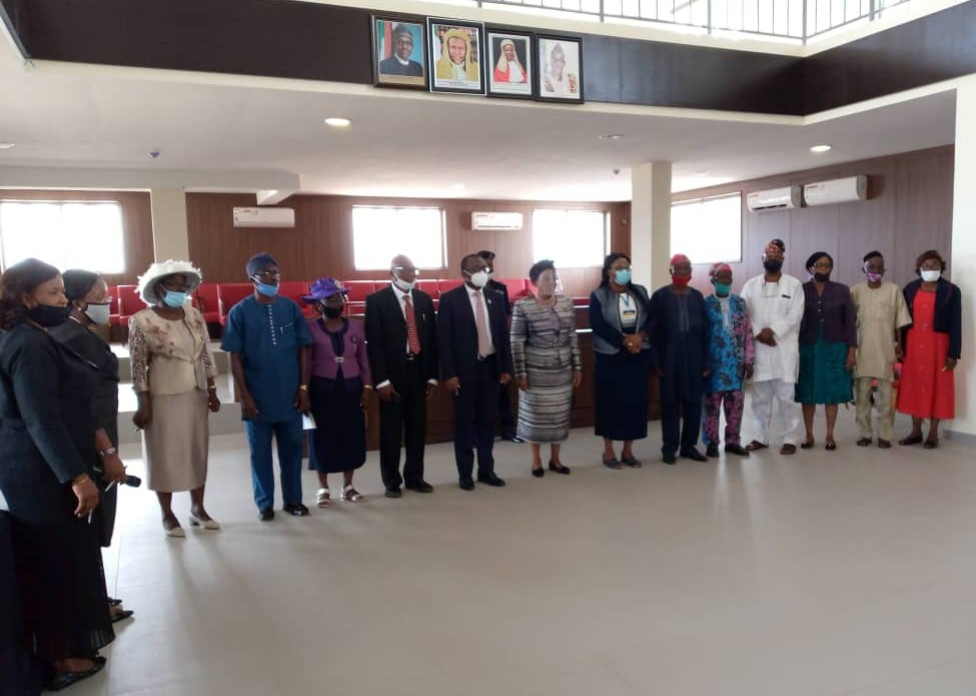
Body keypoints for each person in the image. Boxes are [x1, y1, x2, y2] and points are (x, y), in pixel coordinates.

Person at [0, 258, 114, 691]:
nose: (63, 300)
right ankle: (62, 657)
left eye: (63, 291)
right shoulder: (28, 344)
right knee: (54, 563)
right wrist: (77, 477)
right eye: (53, 292)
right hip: (42, 473)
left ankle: (64, 649)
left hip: (35, 466)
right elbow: (41, 419)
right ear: (25, 297)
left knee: (57, 559)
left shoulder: (25, 334)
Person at [51, 270, 133, 621]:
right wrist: (108, 452)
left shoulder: (72, 333)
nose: (107, 302)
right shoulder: (73, 338)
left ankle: (93, 596)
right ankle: (92, 603)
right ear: (77, 301)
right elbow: (86, 405)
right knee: (89, 524)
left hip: (90, 440)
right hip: (92, 444)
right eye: (100, 297)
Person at [129, 261, 221, 536]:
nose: (179, 289)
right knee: (165, 453)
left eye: (183, 285)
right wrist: (143, 402)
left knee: (196, 449)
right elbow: (137, 365)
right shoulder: (142, 320)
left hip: (196, 392)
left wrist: (212, 388)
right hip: (163, 394)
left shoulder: (193, 315)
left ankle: (198, 508)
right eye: (173, 284)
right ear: (158, 288)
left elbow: (206, 353)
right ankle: (167, 513)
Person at [221, 253, 314, 521]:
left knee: (292, 450)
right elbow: (234, 356)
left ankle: (293, 501)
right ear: (253, 279)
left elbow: (303, 349)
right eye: (266, 273)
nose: (273, 277)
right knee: (259, 453)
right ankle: (264, 504)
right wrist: (244, 396)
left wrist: (303, 387)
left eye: (275, 272)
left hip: (290, 394)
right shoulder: (240, 312)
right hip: (257, 396)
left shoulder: (290, 308)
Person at [438, 253, 514, 490]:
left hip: (490, 368)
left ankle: (486, 470)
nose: (484, 272)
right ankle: (465, 474)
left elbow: (502, 335)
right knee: (464, 422)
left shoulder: (495, 297)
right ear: (465, 273)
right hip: (463, 372)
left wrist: (506, 367)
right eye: (478, 268)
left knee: (487, 421)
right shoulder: (450, 300)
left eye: (485, 267)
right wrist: (449, 374)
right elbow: (444, 341)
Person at [365, 255, 438, 498]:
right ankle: (391, 481)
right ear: (392, 273)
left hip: (418, 370)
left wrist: (432, 377)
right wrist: (381, 380)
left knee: (418, 428)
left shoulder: (424, 299)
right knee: (391, 431)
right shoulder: (377, 301)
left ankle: (415, 477)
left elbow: (431, 340)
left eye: (413, 270)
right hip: (392, 375)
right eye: (404, 270)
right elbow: (374, 344)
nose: (410, 274)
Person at [303, 279, 372, 506]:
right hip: (322, 389)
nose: (336, 303)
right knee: (321, 437)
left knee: (350, 435)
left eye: (339, 298)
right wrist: (304, 390)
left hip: (351, 387)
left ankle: (348, 486)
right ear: (318, 305)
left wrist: (367, 386)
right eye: (330, 299)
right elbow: (306, 361)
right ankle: (323, 487)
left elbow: (363, 358)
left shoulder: (355, 326)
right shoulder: (311, 328)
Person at [510, 260, 582, 477]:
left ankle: (555, 459)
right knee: (535, 417)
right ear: (535, 282)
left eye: (554, 278)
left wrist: (577, 366)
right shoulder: (523, 306)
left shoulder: (566, 303)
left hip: (562, 372)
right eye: (546, 278)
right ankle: (536, 460)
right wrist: (521, 373)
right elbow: (516, 342)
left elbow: (572, 336)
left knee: (559, 417)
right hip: (536, 373)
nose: (551, 282)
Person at [589, 252, 653, 469]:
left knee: (634, 403)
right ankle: (608, 451)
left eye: (627, 267)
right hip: (610, 356)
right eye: (619, 267)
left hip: (638, 354)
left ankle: (628, 450)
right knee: (609, 403)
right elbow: (597, 324)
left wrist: (640, 337)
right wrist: (624, 341)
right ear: (609, 272)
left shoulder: (640, 292)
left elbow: (652, 319)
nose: (624, 271)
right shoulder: (599, 295)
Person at [741, 239, 805, 455]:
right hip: (760, 348)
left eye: (777, 256)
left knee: (787, 398)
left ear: (783, 259)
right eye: (769, 255)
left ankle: (790, 439)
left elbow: (795, 314)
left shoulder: (794, 285)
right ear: (763, 258)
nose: (773, 258)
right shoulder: (750, 285)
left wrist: (773, 331)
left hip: (783, 348)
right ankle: (760, 437)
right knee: (760, 399)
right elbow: (744, 313)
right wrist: (759, 333)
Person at [897, 249, 962, 449]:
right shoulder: (910, 288)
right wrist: (900, 345)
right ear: (919, 268)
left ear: (941, 267)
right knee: (914, 386)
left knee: (938, 387)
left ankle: (933, 434)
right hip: (914, 345)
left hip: (939, 346)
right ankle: (916, 431)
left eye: (935, 265)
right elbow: (901, 321)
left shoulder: (951, 291)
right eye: (926, 265)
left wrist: (953, 354)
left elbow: (956, 323)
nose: (931, 267)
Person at [649, 255, 710, 464]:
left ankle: (689, 446)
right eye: (678, 269)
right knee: (670, 403)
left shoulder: (697, 297)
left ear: (691, 272)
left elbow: (706, 332)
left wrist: (706, 361)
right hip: (669, 358)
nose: (682, 273)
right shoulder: (659, 297)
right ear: (671, 271)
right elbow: (652, 331)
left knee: (693, 404)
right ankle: (669, 448)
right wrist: (655, 361)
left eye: (686, 269)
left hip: (694, 358)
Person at [795, 252, 857, 451]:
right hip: (807, 346)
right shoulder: (800, 289)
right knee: (807, 391)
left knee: (832, 392)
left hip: (835, 347)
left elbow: (850, 323)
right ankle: (809, 434)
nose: (823, 268)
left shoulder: (842, 290)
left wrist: (852, 350)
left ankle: (830, 435)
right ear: (810, 268)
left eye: (827, 265)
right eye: (818, 265)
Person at [850, 251, 911, 448]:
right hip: (863, 351)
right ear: (864, 269)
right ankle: (864, 434)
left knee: (885, 397)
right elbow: (849, 323)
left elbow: (900, 321)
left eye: (879, 267)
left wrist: (899, 346)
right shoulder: (855, 291)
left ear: (884, 269)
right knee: (862, 396)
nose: (875, 270)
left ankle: (885, 435)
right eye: (871, 267)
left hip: (886, 350)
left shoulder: (893, 290)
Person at [701, 263, 754, 458]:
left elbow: (748, 332)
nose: (725, 281)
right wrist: (702, 362)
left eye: (728, 277)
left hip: (736, 365)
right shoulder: (705, 304)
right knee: (711, 406)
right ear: (713, 280)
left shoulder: (740, 303)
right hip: (713, 365)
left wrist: (749, 359)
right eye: (721, 277)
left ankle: (732, 442)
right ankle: (711, 443)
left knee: (735, 406)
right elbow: (700, 335)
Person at [478, 249, 520, 443]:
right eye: (485, 265)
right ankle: (478, 433)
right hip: (480, 349)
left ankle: (507, 429)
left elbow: (507, 317)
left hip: (499, 345)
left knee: (504, 392)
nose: (488, 269)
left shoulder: (499, 289)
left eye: (490, 266)